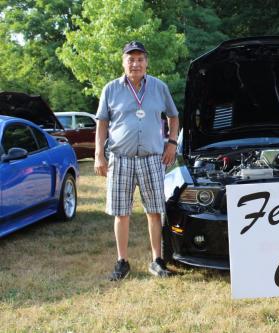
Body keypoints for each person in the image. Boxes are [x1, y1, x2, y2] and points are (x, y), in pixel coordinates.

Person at [94, 41, 179, 281]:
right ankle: (122, 261)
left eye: (140, 59)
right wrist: (99, 154)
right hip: (120, 158)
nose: (136, 64)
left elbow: (174, 116)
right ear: (123, 62)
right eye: (131, 59)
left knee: (154, 211)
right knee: (121, 213)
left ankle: (157, 260)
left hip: (152, 159)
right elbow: (102, 124)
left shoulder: (159, 88)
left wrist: (172, 143)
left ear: (146, 62)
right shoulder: (110, 89)